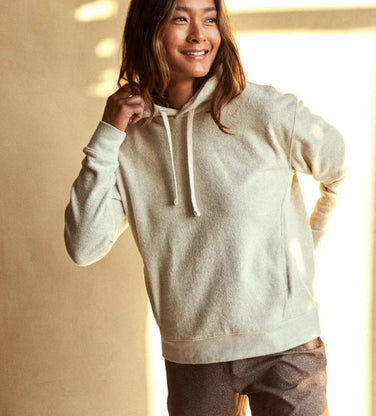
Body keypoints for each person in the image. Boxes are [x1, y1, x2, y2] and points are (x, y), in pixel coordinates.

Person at [64, 0, 346, 414]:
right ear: (148, 28)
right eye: (181, 18)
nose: (199, 34)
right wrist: (108, 133)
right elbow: (83, 245)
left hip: (285, 347)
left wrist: (302, 251)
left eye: (210, 19)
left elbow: (338, 170)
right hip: (193, 356)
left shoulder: (266, 112)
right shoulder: (128, 137)